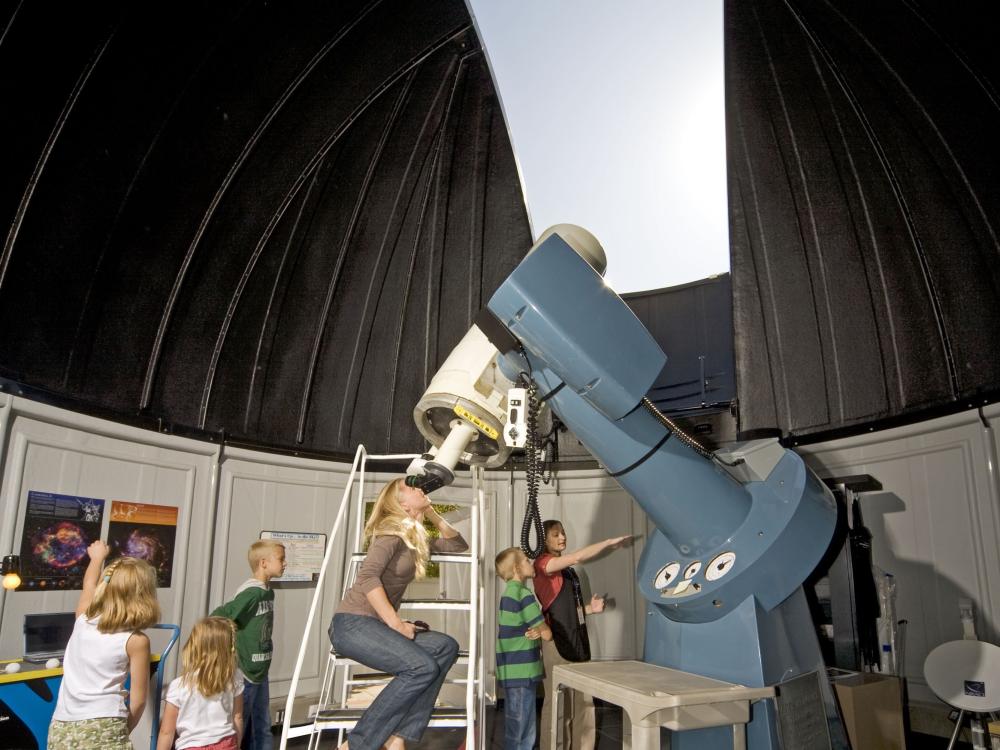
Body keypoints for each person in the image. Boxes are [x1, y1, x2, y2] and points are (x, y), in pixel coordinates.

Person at [328, 477, 468, 750]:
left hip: (376, 626)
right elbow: (368, 577)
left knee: (445, 647)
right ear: (400, 502)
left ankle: (398, 737)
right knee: (421, 667)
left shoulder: (414, 535)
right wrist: (396, 623)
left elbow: (457, 544)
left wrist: (429, 511)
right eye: (412, 488)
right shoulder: (391, 531)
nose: (420, 489)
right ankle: (356, 745)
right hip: (352, 623)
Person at [48, 540, 161, 750]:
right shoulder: (136, 641)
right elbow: (138, 701)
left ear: (105, 587)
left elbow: (89, 584)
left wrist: (97, 558)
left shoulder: (82, 620)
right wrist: (121, 730)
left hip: (61, 726)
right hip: (106, 724)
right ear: (144, 595)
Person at [533, 520, 632, 750]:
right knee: (558, 703)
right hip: (556, 642)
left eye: (563, 533)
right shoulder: (543, 565)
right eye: (556, 534)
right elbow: (577, 557)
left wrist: (589, 609)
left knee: (584, 701)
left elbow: (568, 609)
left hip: (577, 639)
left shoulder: (566, 571)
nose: (562, 537)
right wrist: (607, 543)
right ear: (544, 540)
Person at [211, 540, 286, 750]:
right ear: (263, 562)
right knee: (241, 722)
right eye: (280, 559)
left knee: (261, 724)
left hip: (261, 671)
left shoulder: (267, 592)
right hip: (246, 673)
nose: (285, 563)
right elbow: (221, 616)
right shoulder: (252, 593)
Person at [157, 616, 244, 750]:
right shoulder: (234, 677)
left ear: (194, 647)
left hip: (192, 746)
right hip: (226, 743)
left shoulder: (179, 686)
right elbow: (237, 717)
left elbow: (166, 732)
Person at [495, 547, 552, 750]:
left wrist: (534, 629)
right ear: (518, 568)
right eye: (527, 560)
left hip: (512, 668)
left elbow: (521, 625)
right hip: (522, 669)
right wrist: (543, 629)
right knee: (522, 726)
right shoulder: (523, 594)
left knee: (517, 721)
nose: (531, 563)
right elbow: (547, 633)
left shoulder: (508, 594)